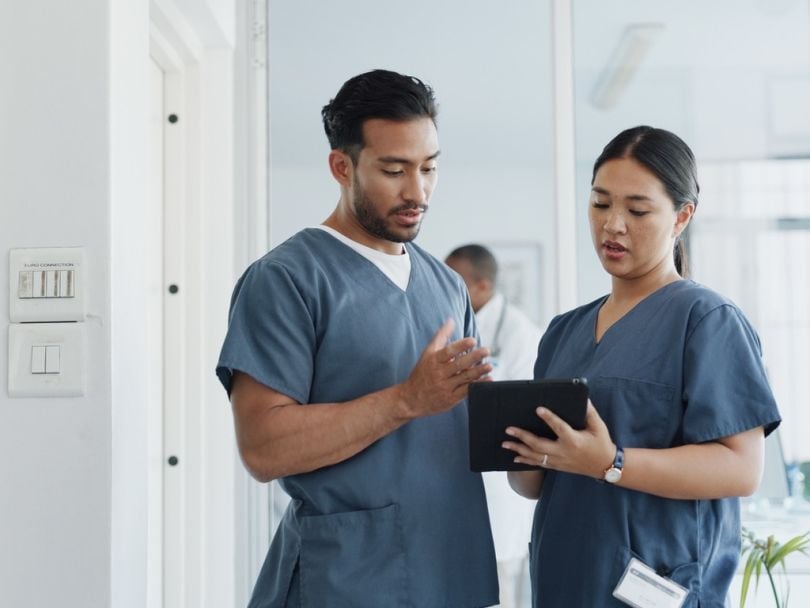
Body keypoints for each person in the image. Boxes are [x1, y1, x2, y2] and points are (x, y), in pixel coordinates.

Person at [216, 69, 499, 608]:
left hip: (451, 569)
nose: (417, 191)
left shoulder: (446, 285)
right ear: (341, 167)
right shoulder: (287, 280)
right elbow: (262, 447)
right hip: (348, 580)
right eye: (394, 170)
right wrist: (405, 401)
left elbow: (460, 427)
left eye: (429, 168)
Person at [504, 126, 781, 607]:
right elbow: (534, 484)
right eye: (599, 203)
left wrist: (611, 463)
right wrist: (517, 447)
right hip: (564, 580)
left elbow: (742, 468)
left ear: (682, 216)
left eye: (637, 210)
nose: (612, 225)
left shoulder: (707, 320)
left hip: (655, 587)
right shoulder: (563, 331)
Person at [445, 244, 541, 608]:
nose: (447, 287)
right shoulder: (453, 325)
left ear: (482, 286)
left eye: (457, 281)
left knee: (498, 595)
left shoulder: (519, 334)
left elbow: (516, 411)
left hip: (501, 490)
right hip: (457, 481)